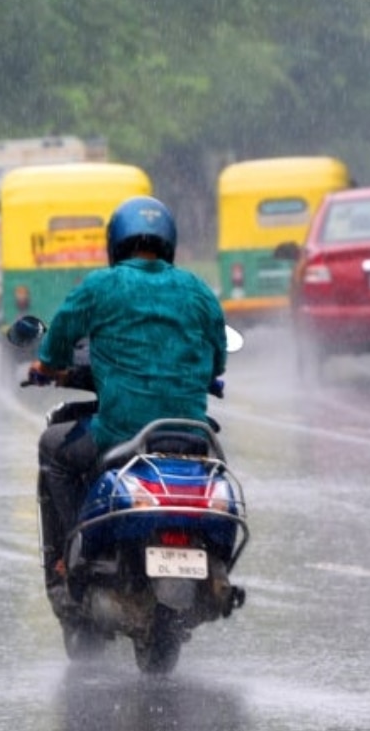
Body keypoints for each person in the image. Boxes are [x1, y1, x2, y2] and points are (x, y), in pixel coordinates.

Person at [27, 196, 227, 618]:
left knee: (53, 449)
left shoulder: (102, 286)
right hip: (190, 434)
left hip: (119, 432)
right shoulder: (197, 290)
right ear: (168, 242)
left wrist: (46, 365)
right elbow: (218, 359)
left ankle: (72, 550)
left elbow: (60, 335)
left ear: (115, 243)